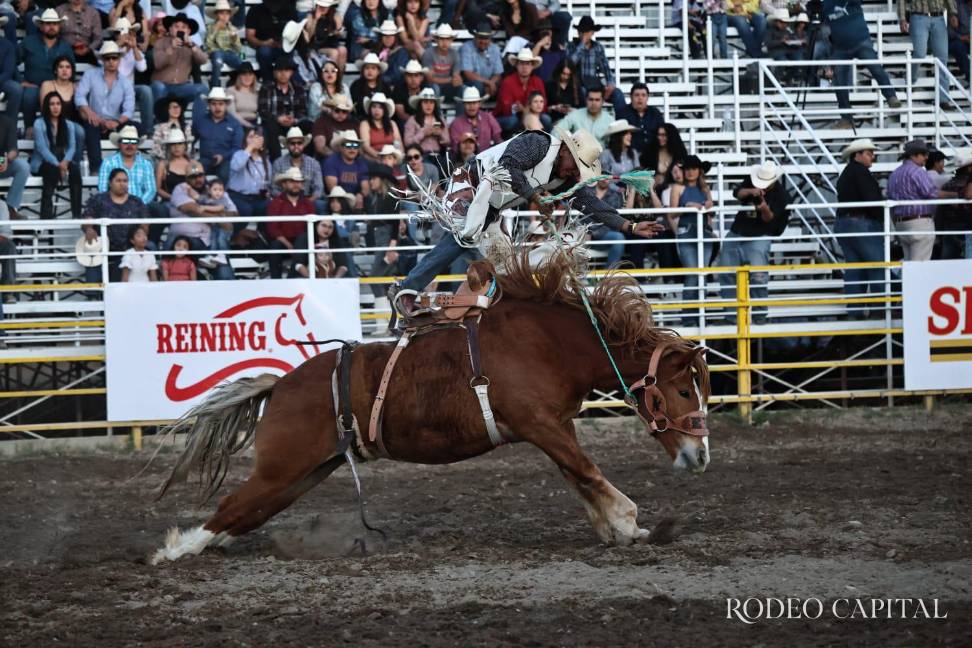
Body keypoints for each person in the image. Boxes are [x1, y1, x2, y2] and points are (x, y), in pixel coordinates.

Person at [390, 128, 664, 300]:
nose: (574, 174)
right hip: (471, 186)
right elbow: (510, 165)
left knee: (500, 262)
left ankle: (427, 291)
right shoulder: (538, 143)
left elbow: (591, 203)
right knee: (465, 238)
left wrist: (628, 226)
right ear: (566, 151)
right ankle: (411, 288)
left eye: (579, 172)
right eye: (575, 167)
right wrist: (534, 196)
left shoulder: (565, 178)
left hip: (491, 207)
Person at [718, 160, 792, 324]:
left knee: (758, 277)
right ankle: (732, 316)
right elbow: (737, 192)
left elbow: (772, 222)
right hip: (739, 232)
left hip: (759, 235)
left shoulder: (782, 196)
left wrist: (764, 208)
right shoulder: (752, 182)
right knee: (726, 273)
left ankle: (758, 316)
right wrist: (751, 191)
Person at [824, 0, 902, 129]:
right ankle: (846, 118)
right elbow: (819, 20)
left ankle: (891, 96)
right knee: (839, 81)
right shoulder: (825, 4)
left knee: (876, 68)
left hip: (860, 41)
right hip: (840, 47)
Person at [834, 138, 885, 308]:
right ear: (858, 155)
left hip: (845, 222)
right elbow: (871, 199)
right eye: (869, 153)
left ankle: (855, 310)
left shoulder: (847, 172)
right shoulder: (861, 173)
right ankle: (881, 308)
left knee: (855, 268)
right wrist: (880, 217)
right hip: (861, 223)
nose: (873, 156)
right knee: (877, 266)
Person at [887, 139, 957, 261]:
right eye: (924, 154)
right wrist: (954, 195)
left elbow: (891, 201)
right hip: (920, 222)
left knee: (909, 265)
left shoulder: (894, 174)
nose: (926, 157)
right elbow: (931, 193)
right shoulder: (917, 171)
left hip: (901, 224)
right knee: (920, 266)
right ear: (914, 156)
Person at [165, 161, 234, 279]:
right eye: (193, 177)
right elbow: (192, 209)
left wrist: (216, 211)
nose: (198, 179)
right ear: (186, 178)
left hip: (207, 242)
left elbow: (234, 214)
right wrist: (219, 217)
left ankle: (228, 292)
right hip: (181, 239)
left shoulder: (215, 189)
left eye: (200, 175)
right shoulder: (181, 188)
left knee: (222, 262)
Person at [76, 40, 136, 172]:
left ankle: (129, 167)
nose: (111, 61)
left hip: (115, 122)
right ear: (102, 60)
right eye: (107, 58)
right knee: (90, 125)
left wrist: (116, 122)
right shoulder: (91, 74)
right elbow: (79, 96)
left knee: (136, 127)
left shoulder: (125, 82)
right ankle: (96, 168)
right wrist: (90, 113)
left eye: (114, 58)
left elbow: (129, 108)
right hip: (95, 119)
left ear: (119, 60)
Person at [80, 167, 150, 283]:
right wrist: (89, 229)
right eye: (118, 181)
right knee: (91, 252)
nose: (122, 184)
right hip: (102, 246)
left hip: (129, 246)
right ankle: (93, 295)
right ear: (110, 182)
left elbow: (145, 225)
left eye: (125, 181)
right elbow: (87, 219)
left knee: (149, 248)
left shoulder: (136, 201)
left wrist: (139, 238)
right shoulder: (98, 199)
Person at [669, 155, 715, 326]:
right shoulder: (677, 187)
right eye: (687, 169)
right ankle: (689, 318)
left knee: (702, 276)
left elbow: (710, 214)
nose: (690, 172)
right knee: (692, 274)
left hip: (704, 233)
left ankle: (700, 316)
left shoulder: (705, 188)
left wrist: (708, 208)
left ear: (699, 171)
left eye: (694, 168)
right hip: (686, 233)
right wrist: (687, 207)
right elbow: (672, 213)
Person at [18, 9, 75, 135]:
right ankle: (29, 129)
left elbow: (72, 70)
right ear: (41, 26)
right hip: (33, 86)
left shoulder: (65, 47)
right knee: (29, 95)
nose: (51, 27)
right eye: (48, 24)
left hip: (56, 87)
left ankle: (59, 130)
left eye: (54, 24)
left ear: (59, 26)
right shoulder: (28, 42)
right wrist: (21, 81)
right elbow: (12, 62)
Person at [364, 162, 402, 334]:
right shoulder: (377, 198)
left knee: (375, 279)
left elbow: (395, 223)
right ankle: (388, 324)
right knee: (384, 282)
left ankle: (383, 323)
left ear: (382, 180)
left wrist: (392, 247)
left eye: (374, 178)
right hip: (382, 240)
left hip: (387, 241)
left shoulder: (390, 198)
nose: (371, 181)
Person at [32, 91, 82, 220]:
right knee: (52, 171)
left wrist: (65, 162)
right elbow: (42, 148)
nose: (55, 107)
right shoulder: (39, 123)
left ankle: (77, 214)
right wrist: (58, 164)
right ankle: (46, 216)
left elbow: (72, 147)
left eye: (58, 104)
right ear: (47, 107)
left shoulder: (69, 124)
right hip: (43, 162)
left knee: (76, 171)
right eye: (52, 104)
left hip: (62, 161)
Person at [899, 0, 955, 105]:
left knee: (942, 57)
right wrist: (902, 18)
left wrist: (953, 12)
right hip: (918, 16)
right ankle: (910, 80)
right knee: (920, 53)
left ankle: (943, 99)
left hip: (939, 17)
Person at [266, 166, 315, 278]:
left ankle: (291, 278)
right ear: (284, 184)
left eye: (298, 182)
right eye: (292, 182)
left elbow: (312, 227)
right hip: (284, 242)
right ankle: (276, 280)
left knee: (303, 239)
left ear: (302, 184)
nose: (296, 185)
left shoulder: (308, 204)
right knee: (275, 246)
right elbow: (273, 229)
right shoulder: (276, 203)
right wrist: (289, 246)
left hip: (303, 243)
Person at [150, 12, 209, 105]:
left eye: (183, 27)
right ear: (170, 29)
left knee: (203, 89)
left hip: (181, 87)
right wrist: (171, 49)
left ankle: (199, 119)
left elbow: (203, 60)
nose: (180, 30)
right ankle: (158, 118)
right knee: (158, 87)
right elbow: (158, 64)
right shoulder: (160, 42)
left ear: (188, 31)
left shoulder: (192, 45)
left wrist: (191, 46)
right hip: (163, 84)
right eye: (176, 27)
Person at [258, 56, 311, 160]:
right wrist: (278, 118)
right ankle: (277, 163)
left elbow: (303, 110)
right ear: (274, 72)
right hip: (275, 125)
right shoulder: (266, 88)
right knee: (270, 125)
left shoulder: (299, 88)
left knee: (308, 125)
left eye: (286, 70)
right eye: (279, 70)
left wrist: (294, 120)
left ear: (291, 72)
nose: (283, 73)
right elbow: (263, 111)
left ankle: (307, 161)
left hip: (294, 124)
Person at [111, 17, 153, 134]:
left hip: (129, 88)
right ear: (116, 35)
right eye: (122, 33)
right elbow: (103, 66)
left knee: (146, 90)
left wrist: (134, 48)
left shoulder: (135, 51)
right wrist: (118, 46)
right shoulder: (110, 47)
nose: (126, 36)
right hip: (112, 88)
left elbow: (142, 68)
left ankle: (148, 131)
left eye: (129, 33)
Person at [192, 86, 243, 182]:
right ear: (209, 105)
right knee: (194, 171)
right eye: (213, 104)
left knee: (225, 174)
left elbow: (237, 148)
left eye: (221, 104)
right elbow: (192, 138)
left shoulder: (235, 124)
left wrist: (223, 156)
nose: (217, 107)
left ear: (226, 105)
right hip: (205, 160)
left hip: (226, 160)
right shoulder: (201, 121)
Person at [565, 16, 620, 104]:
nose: (584, 34)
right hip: (577, 85)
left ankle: (622, 117)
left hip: (595, 84)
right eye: (581, 31)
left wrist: (610, 84)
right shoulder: (571, 46)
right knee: (582, 92)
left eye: (586, 31)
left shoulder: (598, 47)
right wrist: (581, 45)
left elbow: (605, 68)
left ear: (592, 32)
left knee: (617, 94)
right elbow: (569, 65)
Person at [98, 124, 155, 207]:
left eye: (133, 142)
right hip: (114, 206)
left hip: (140, 206)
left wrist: (138, 204)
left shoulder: (146, 164)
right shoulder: (108, 163)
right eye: (125, 141)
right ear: (119, 144)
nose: (130, 145)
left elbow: (151, 190)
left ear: (137, 145)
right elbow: (102, 189)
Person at [494, 48, 549, 134]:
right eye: (521, 63)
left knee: (546, 118)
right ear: (517, 65)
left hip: (531, 115)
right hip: (507, 117)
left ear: (532, 66)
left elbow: (544, 105)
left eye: (527, 64)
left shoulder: (537, 81)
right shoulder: (507, 82)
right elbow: (505, 109)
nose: (524, 67)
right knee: (512, 120)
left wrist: (526, 109)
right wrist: (522, 108)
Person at [270, 126, 326, 211]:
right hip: (285, 200)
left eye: (299, 143)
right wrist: (290, 202)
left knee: (320, 205)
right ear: (287, 145)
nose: (296, 146)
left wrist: (307, 202)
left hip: (308, 199)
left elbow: (319, 189)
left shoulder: (313, 163)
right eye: (292, 143)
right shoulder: (278, 163)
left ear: (303, 144)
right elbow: (274, 189)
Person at [244, 0, 297, 80]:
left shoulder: (289, 10)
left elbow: (296, 32)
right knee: (264, 52)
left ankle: (287, 83)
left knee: (288, 51)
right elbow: (249, 36)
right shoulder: (255, 10)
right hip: (263, 45)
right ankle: (268, 82)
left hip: (285, 45)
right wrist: (264, 43)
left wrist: (286, 42)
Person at [936, 147, 972, 259]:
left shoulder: (948, 184)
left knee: (948, 260)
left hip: (950, 227)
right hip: (967, 225)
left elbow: (940, 209)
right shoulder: (968, 182)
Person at [227, 127, 271, 218]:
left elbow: (268, 182)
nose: (254, 140)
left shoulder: (266, 161)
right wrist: (250, 147)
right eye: (251, 137)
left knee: (269, 206)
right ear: (245, 141)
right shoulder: (239, 154)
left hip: (257, 198)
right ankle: (238, 232)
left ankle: (261, 232)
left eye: (257, 138)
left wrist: (267, 192)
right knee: (245, 209)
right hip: (238, 196)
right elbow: (236, 166)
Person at [448, 86, 502, 157]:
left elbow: (498, 139)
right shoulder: (456, 123)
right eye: (468, 103)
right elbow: (455, 148)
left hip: (487, 159)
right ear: (464, 105)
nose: (471, 106)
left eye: (474, 103)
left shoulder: (488, 117)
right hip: (465, 162)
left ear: (479, 104)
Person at [614, 83, 663, 160]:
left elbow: (662, 133)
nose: (640, 98)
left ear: (647, 98)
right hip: (630, 156)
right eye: (636, 95)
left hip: (653, 155)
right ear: (631, 97)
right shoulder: (622, 113)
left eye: (643, 95)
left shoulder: (655, 113)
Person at [323, 130, 370, 208]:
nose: (352, 148)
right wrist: (349, 200)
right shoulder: (331, 162)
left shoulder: (361, 163)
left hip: (356, 199)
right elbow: (333, 189)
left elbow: (365, 187)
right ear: (341, 147)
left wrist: (360, 195)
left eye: (355, 145)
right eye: (348, 145)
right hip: (336, 199)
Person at [204, 0, 243, 88]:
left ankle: (233, 83)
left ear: (230, 15)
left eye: (227, 13)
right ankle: (215, 87)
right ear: (216, 15)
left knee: (241, 65)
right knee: (218, 62)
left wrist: (234, 39)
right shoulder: (210, 27)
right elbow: (208, 44)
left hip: (229, 53)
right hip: (216, 52)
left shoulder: (232, 28)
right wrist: (216, 29)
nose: (224, 16)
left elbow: (239, 49)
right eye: (221, 13)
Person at [403, 87, 449, 163]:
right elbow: (407, 143)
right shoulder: (412, 120)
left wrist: (440, 134)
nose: (428, 105)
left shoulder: (441, 120)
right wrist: (423, 133)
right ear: (420, 104)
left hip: (438, 155)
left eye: (431, 102)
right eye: (425, 102)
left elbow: (448, 142)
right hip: (420, 156)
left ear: (435, 104)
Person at [0, 97, 29, 214]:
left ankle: (10, 208)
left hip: (2, 163)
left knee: (23, 166)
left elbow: (13, 149)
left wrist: (7, 158)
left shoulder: (7, 122)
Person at [459, 22, 504, 96]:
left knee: (505, 85)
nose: (483, 41)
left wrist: (492, 83)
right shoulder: (466, 48)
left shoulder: (495, 49)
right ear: (475, 37)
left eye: (486, 38)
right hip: (471, 83)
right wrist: (488, 83)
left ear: (490, 39)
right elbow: (468, 74)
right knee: (476, 86)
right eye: (480, 38)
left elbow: (498, 73)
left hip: (490, 85)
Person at [422, 23, 462, 102]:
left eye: (447, 39)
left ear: (451, 40)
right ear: (436, 39)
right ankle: (437, 113)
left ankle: (460, 114)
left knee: (463, 89)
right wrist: (450, 80)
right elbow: (430, 79)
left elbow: (456, 78)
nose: (444, 42)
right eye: (441, 39)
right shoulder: (428, 53)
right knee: (435, 88)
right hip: (430, 87)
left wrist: (454, 80)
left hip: (448, 87)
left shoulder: (455, 54)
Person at [312, 93, 359, 159]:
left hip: (351, 159)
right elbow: (320, 147)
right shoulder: (321, 122)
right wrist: (338, 159)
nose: (341, 114)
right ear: (331, 109)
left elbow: (359, 146)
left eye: (344, 111)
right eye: (337, 110)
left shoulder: (353, 124)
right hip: (328, 159)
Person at [359, 92, 403, 162]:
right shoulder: (365, 124)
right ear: (370, 109)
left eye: (380, 107)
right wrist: (380, 157)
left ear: (384, 110)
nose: (377, 110)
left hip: (391, 158)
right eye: (374, 107)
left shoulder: (392, 124)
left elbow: (398, 143)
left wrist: (399, 157)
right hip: (373, 158)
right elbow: (366, 146)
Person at [349, 52, 391, 119]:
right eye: (367, 68)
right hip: (361, 118)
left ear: (378, 71)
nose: (370, 71)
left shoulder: (385, 86)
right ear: (363, 70)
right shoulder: (356, 85)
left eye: (373, 68)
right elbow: (356, 106)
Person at [391, 59, 433, 125]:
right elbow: (400, 114)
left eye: (416, 75)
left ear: (421, 77)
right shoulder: (399, 89)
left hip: (424, 121)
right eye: (410, 75)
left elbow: (433, 112)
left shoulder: (426, 89)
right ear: (405, 77)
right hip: (405, 121)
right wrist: (416, 122)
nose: (413, 79)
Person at [544, 57, 583, 125]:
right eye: (563, 74)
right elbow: (544, 106)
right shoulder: (550, 85)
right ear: (559, 72)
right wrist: (554, 107)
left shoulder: (576, 86)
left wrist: (571, 110)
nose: (566, 77)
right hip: (555, 119)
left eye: (568, 75)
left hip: (573, 119)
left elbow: (582, 108)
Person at [226, 61, 259, 129]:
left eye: (250, 74)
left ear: (254, 76)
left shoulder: (257, 91)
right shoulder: (230, 91)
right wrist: (249, 126)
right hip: (236, 123)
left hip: (255, 122)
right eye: (244, 74)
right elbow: (232, 113)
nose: (247, 77)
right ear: (239, 77)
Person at [948, 0, 972, 81]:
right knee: (958, 46)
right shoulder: (956, 5)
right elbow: (950, 33)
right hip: (957, 40)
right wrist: (963, 38)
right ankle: (970, 77)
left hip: (969, 42)